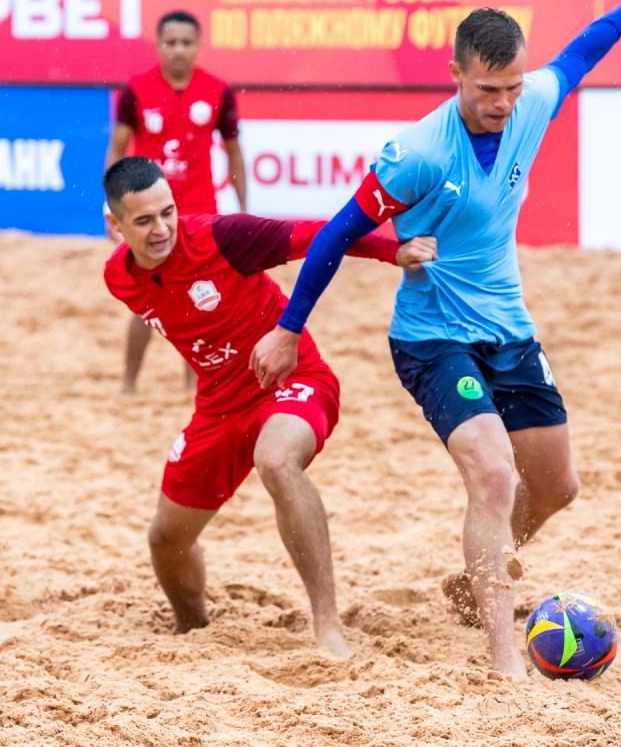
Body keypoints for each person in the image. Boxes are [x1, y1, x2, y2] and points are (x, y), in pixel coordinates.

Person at [250, 0, 621, 679]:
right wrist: (290, 328)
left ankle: (478, 574)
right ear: (455, 75)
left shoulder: (531, 102)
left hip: (509, 328)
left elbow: (583, 51)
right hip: (432, 337)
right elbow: (333, 234)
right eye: (486, 89)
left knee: (558, 487)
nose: (503, 103)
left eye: (511, 87)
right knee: (493, 472)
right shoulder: (418, 153)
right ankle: (505, 657)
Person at [103, 157, 437, 657]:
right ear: (116, 224)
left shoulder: (221, 237)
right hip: (217, 407)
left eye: (168, 212)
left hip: (292, 380)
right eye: (145, 220)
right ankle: (193, 631)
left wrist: (393, 251)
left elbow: (321, 234)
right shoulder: (118, 277)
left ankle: (327, 625)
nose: (162, 229)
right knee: (166, 539)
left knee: (276, 461)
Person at [106, 10, 247, 396]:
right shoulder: (137, 89)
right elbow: (117, 148)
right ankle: (129, 385)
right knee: (146, 301)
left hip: (200, 212)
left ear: (199, 45)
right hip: (146, 212)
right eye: (171, 42)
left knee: (203, 299)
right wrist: (112, 207)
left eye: (186, 42)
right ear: (158, 45)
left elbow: (234, 153)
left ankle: (193, 387)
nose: (179, 50)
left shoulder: (217, 90)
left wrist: (242, 209)